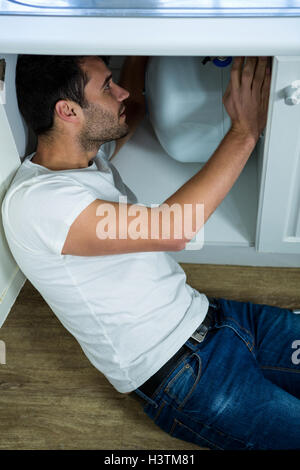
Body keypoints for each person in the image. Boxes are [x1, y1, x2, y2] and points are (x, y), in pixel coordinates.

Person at [2, 54, 299, 450]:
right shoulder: (40, 204)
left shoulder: (87, 160)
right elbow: (173, 229)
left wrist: (144, 49)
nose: (121, 91)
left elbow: (133, 109)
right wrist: (244, 129)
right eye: (108, 85)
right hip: (186, 378)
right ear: (67, 110)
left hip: (217, 318)